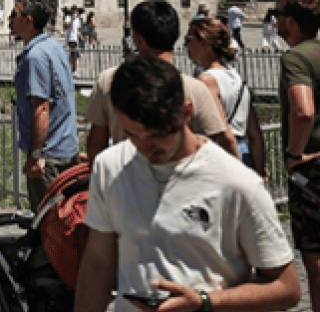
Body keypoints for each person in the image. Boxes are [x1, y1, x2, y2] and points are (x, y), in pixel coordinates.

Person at [75, 56, 300, 312]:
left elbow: (287, 287)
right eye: (133, 135)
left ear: (187, 112)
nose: (146, 148)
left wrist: (204, 302)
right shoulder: (110, 167)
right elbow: (98, 263)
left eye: (158, 135)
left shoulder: (236, 182)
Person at [85, 0, 239, 164]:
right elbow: (222, 141)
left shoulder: (109, 81)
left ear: (138, 39)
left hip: (127, 181)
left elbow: (96, 145)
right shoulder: (195, 89)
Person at [8, 0, 79, 208]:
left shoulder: (35, 56)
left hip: (48, 157)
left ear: (27, 19)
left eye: (14, 15)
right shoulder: (54, 47)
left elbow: (41, 109)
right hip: (65, 148)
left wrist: (35, 154)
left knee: (48, 225)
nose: (10, 20)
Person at [275, 0, 320, 311]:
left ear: (291, 22)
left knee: (315, 260)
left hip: (312, 173)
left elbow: (303, 111)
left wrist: (293, 155)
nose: (275, 22)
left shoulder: (296, 58)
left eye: (277, 15)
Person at [185, 18, 266, 175]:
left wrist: (237, 173)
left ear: (204, 43)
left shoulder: (207, 80)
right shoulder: (236, 77)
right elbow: (255, 135)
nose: (186, 45)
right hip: (244, 151)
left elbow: (224, 133)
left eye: (189, 39)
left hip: (224, 157)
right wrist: (259, 171)